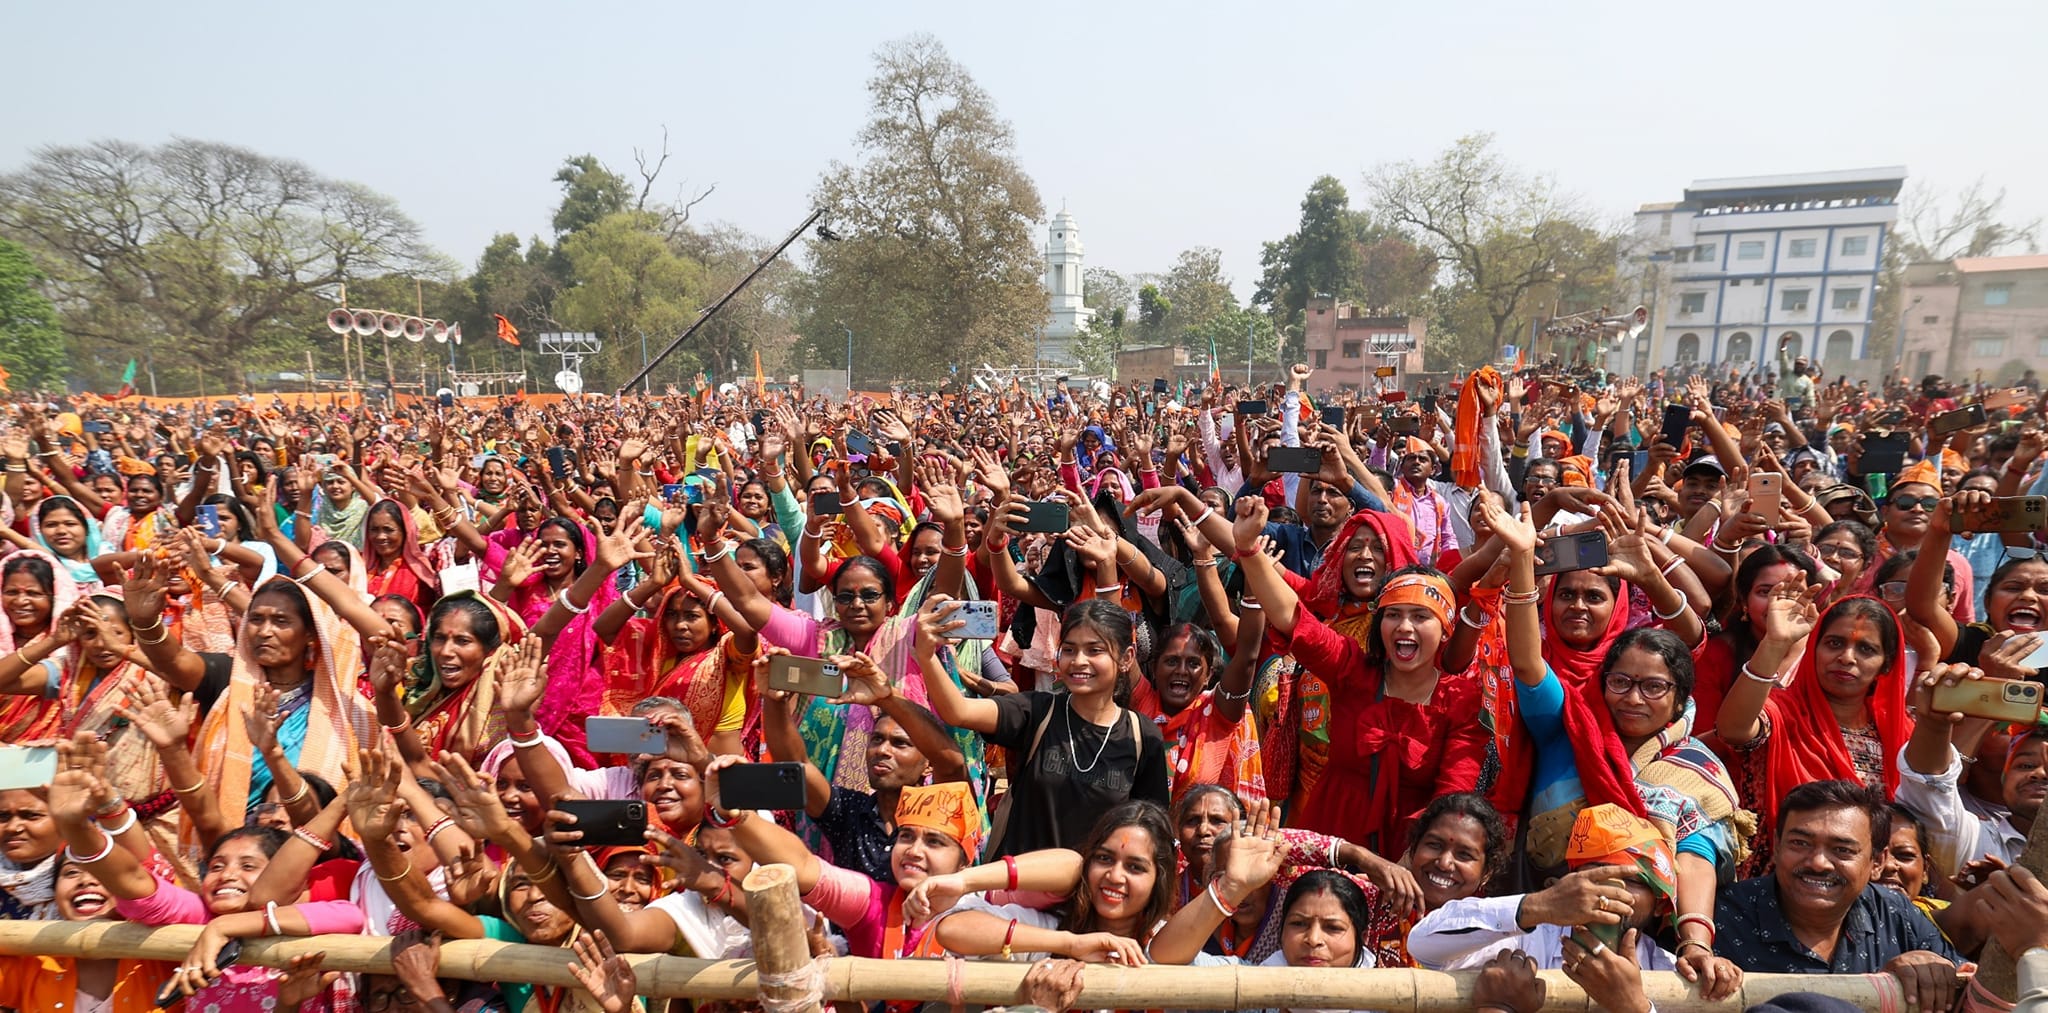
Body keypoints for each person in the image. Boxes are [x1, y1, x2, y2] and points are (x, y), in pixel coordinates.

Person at [921, 597, 1168, 856]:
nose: (1078, 661)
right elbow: (958, 711)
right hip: (1017, 890)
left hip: (1091, 893)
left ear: (1126, 657)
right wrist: (927, 655)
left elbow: (1152, 830)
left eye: (1094, 650)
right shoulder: (1037, 712)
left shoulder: (1142, 738)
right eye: (1069, 650)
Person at [1712, 781, 1960, 1010]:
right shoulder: (1720, 918)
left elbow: (1969, 981)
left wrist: (1931, 966)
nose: (1819, 863)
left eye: (1842, 850)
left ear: (1877, 862)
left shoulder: (1896, 915)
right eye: (1800, 843)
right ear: (1776, 847)